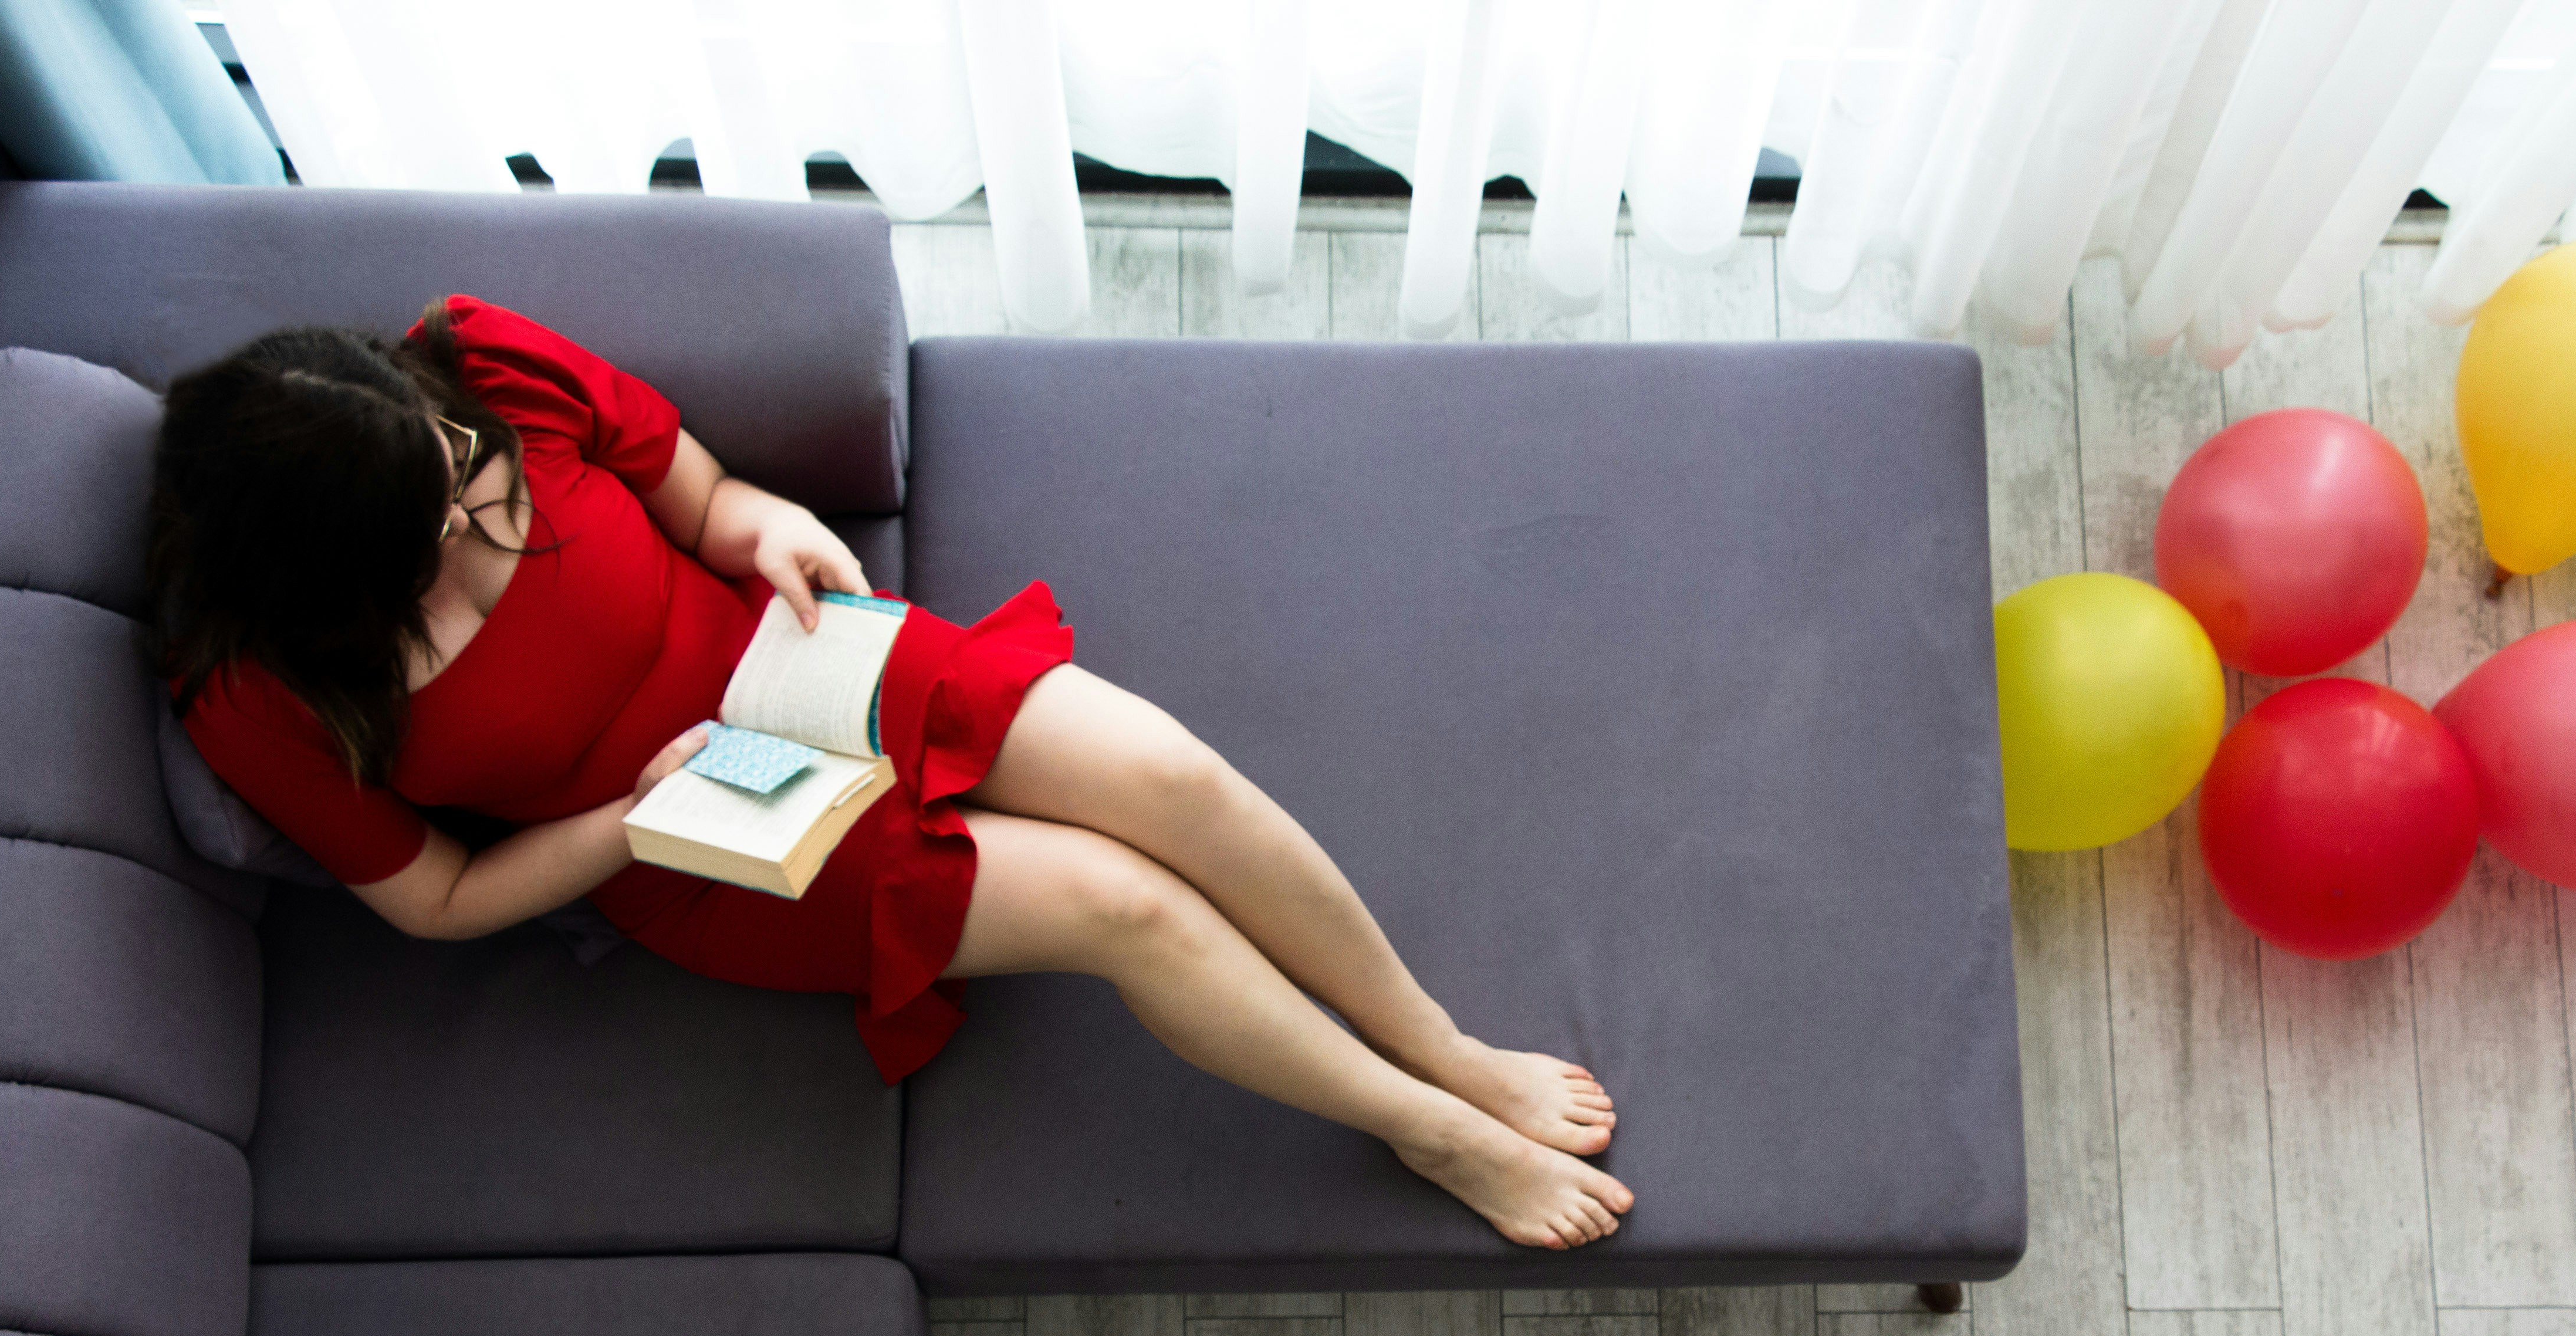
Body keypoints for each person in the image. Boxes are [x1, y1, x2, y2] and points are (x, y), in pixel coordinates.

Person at [153, 296, 1631, 1250]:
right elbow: (436, 899)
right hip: (694, 836)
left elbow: (700, 494)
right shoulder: (260, 696)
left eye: (466, 467)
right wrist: (627, 822)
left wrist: (766, 530)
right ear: (336, 576)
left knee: (1173, 780)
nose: (477, 510)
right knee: (1127, 910)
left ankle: (1442, 1045)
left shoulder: (476, 363)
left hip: (799, 659)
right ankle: (1428, 1131)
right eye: (436, 528)